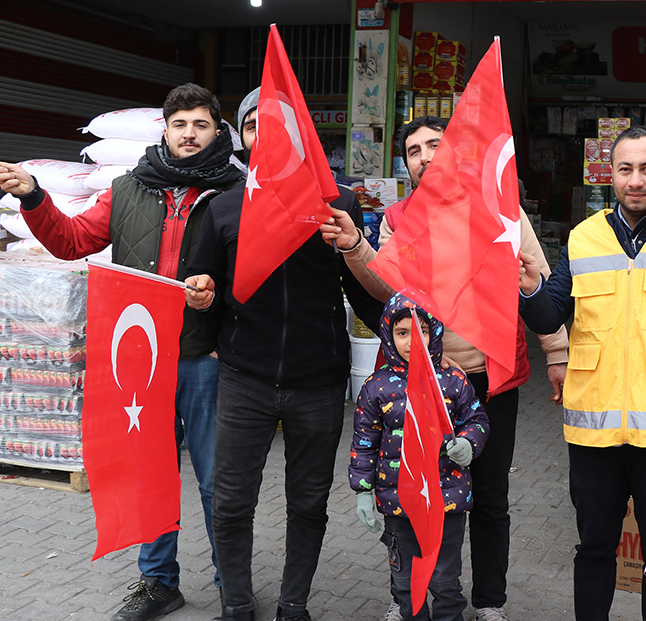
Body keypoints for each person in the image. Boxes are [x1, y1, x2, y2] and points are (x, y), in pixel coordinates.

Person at [0, 83, 244, 621]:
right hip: (144, 366)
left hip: (207, 360)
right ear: (165, 131)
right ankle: (158, 584)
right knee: (148, 473)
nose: (190, 134)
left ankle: (232, 586)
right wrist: (35, 196)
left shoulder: (237, 193)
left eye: (201, 124)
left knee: (218, 480)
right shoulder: (128, 189)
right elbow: (70, 240)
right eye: (180, 124)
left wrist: (221, 299)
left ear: (218, 132)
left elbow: (258, 276)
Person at [344, 115, 570, 621]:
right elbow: (387, 288)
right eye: (414, 150)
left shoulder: (500, 209)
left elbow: (538, 281)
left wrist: (556, 352)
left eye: (434, 144)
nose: (425, 155)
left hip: (490, 380)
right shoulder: (398, 218)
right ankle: (411, 595)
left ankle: (489, 601)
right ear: (407, 164)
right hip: (422, 385)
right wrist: (357, 248)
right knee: (411, 496)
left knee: (490, 497)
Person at [516, 124, 646, 621]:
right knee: (594, 549)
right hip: (594, 435)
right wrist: (530, 291)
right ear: (609, 175)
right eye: (625, 169)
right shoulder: (582, 238)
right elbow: (552, 316)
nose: (636, 180)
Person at [184, 87, 384, 621]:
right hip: (244, 379)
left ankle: (293, 603)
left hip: (318, 382)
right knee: (230, 500)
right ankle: (236, 602)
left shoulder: (336, 204)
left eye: (278, 129)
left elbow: (371, 297)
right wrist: (200, 294)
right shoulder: (224, 208)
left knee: (308, 502)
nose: (264, 139)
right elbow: (205, 291)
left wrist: (351, 246)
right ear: (242, 138)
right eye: (253, 128)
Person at [349, 294, 489, 621]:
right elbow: (364, 443)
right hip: (398, 501)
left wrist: (468, 443)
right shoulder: (375, 387)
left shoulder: (452, 381)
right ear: (388, 334)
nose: (412, 340)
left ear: (434, 333)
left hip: (446, 501)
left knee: (444, 579)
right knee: (405, 581)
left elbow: (476, 420)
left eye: (421, 330)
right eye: (402, 332)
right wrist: (363, 492)